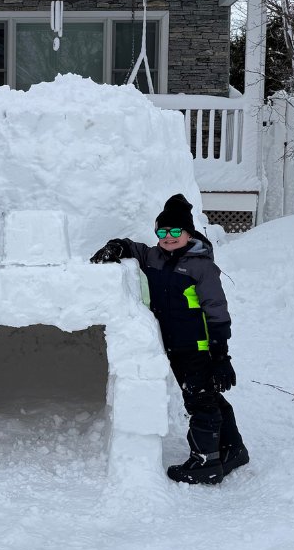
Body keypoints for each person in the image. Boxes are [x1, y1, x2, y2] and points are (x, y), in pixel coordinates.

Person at [90, 194, 248, 485]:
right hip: (175, 346)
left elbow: (217, 311)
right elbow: (134, 248)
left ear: (189, 233)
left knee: (200, 401)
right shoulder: (154, 257)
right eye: (162, 231)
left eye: (176, 231)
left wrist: (221, 356)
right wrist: (116, 246)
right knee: (208, 395)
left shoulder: (201, 266)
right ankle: (233, 448)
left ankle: (206, 463)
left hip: (198, 347)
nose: (169, 237)